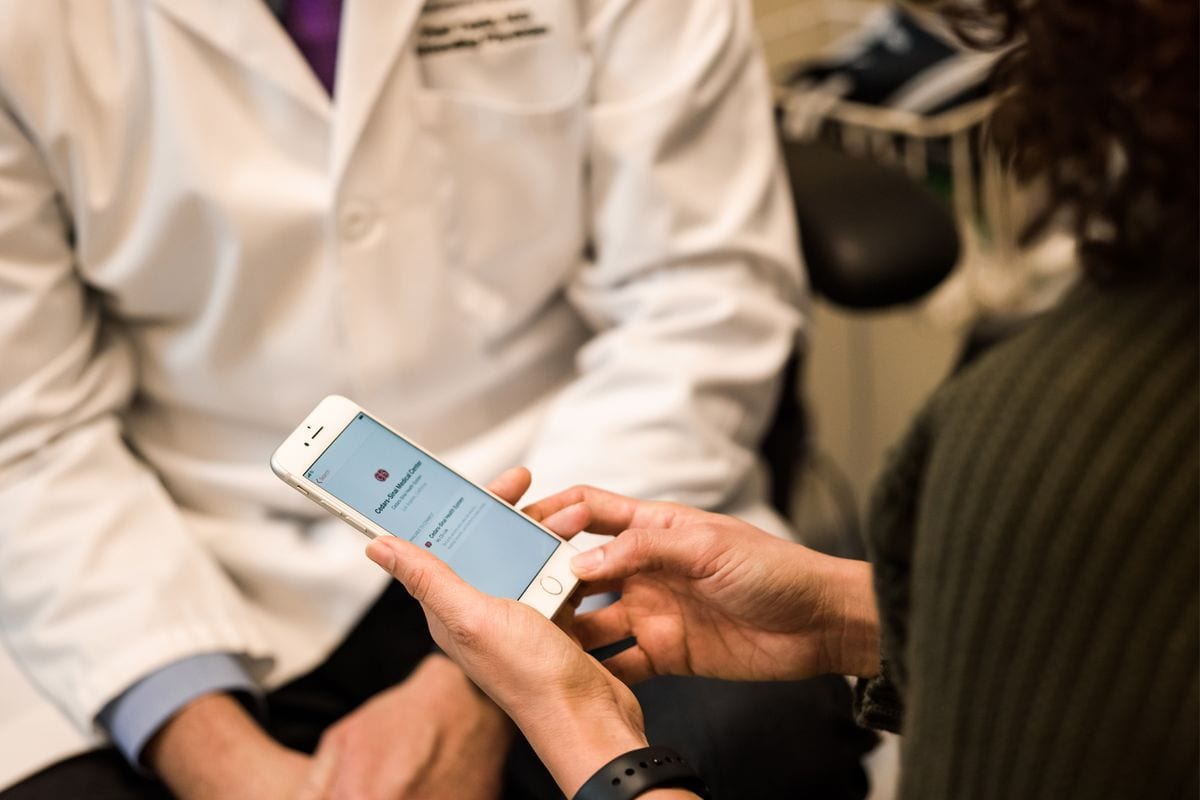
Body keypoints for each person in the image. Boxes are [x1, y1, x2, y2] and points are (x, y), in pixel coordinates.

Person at [0, 2, 876, 799]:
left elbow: (701, 297)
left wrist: (485, 674)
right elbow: (27, 424)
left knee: (755, 750)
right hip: (187, 551)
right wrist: (219, 758)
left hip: (559, 503)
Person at [361, 0, 1200, 797]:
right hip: (247, 577)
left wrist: (585, 734)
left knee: (754, 747)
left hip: (580, 498)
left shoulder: (1055, 451)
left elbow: (702, 295)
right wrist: (849, 618)